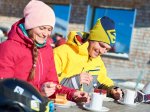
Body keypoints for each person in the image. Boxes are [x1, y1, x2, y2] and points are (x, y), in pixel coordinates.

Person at [0, 0, 90, 104]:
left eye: (49, 29)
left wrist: (72, 94)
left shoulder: (47, 50)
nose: (45, 34)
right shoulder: (8, 48)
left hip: (38, 105)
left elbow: (53, 86)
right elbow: (4, 87)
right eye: (42, 28)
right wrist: (39, 92)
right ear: (30, 26)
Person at [54, 16, 122, 100]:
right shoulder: (61, 52)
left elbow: (101, 81)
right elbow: (50, 84)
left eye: (107, 49)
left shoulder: (97, 61)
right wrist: (75, 81)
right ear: (92, 38)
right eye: (101, 45)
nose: (102, 51)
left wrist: (112, 89)